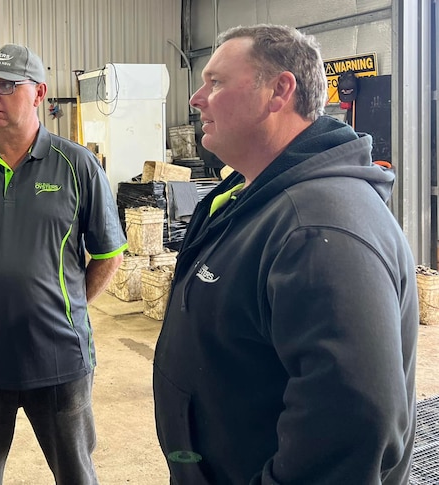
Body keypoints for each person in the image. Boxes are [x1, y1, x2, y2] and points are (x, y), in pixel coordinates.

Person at [153, 24, 417, 483]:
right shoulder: (247, 190)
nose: (196, 99)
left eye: (215, 82)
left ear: (279, 91)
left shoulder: (317, 228)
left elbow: (352, 426)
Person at [0, 43, 127, 484]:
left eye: (7, 86)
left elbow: (108, 253)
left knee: (75, 473)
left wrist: (67, 302)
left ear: (39, 94)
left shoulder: (78, 166)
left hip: (59, 356)